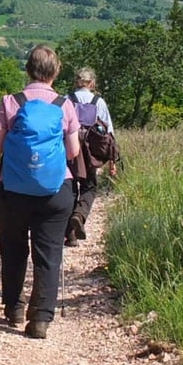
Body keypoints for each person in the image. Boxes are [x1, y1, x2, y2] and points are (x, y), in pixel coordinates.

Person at [0, 45, 82, 339]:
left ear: (28, 70)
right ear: (56, 72)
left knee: (13, 247)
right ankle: (40, 319)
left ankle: (14, 307)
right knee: (48, 253)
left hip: (12, 189)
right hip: (56, 190)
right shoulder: (64, 105)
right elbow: (73, 152)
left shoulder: (11, 102)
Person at [67, 66, 117, 245]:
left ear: (77, 81)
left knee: (70, 187)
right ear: (92, 83)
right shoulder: (99, 102)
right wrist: (112, 161)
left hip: (69, 148)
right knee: (89, 186)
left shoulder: (67, 100)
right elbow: (109, 132)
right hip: (90, 151)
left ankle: (70, 235)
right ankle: (79, 215)